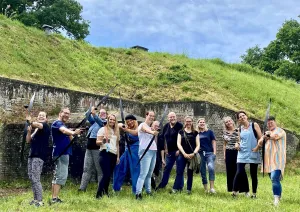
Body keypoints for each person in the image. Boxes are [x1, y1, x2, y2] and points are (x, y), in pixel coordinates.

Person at [253, 116, 286, 206]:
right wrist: (264, 137)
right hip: (268, 161)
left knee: (274, 178)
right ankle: (278, 196)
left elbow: (275, 137)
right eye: (268, 123)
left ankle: (276, 199)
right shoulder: (267, 132)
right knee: (274, 180)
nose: (270, 124)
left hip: (278, 160)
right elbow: (259, 143)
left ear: (275, 122)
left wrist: (267, 136)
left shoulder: (280, 131)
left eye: (271, 122)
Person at [51, 108, 81, 204]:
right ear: (60, 113)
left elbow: (70, 139)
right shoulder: (57, 123)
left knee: (57, 175)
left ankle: (54, 197)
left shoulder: (63, 125)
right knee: (61, 175)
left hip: (62, 153)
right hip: (61, 153)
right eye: (65, 113)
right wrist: (72, 132)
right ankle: (55, 199)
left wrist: (73, 133)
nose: (66, 115)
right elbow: (64, 131)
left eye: (68, 114)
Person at [232, 111, 262, 198]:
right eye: (240, 117)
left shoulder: (254, 125)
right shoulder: (240, 129)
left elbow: (260, 138)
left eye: (243, 115)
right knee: (239, 171)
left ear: (246, 116)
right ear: (238, 120)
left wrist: (257, 147)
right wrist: (237, 144)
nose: (242, 117)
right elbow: (239, 140)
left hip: (253, 151)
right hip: (242, 152)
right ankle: (234, 191)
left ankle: (254, 194)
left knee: (253, 174)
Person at [78, 107, 107, 192]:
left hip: (97, 148)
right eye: (100, 113)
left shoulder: (105, 122)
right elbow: (87, 115)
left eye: (104, 113)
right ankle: (82, 188)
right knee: (86, 169)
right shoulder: (93, 122)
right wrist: (91, 108)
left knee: (99, 170)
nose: (102, 114)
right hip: (89, 147)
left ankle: (100, 189)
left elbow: (100, 122)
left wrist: (94, 114)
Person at [26, 112, 50, 207]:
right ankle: (35, 199)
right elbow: (28, 140)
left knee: (36, 178)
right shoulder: (36, 130)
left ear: (46, 119)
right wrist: (29, 131)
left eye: (43, 115)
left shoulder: (45, 126)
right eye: (39, 115)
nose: (40, 116)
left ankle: (40, 201)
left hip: (39, 156)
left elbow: (37, 124)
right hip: (32, 155)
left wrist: (29, 121)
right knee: (32, 177)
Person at [172, 116, 200, 194]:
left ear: (192, 122)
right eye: (187, 121)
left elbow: (198, 145)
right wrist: (184, 153)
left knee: (190, 173)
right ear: (185, 122)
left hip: (192, 155)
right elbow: (178, 143)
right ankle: (175, 188)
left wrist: (193, 153)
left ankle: (188, 189)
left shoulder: (195, 132)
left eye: (190, 121)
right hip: (182, 155)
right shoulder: (180, 132)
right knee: (179, 172)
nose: (188, 123)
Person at [113, 114, 140, 194]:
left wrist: (126, 129)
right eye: (128, 121)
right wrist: (122, 125)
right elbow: (117, 125)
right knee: (119, 166)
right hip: (127, 151)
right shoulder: (126, 127)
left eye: (131, 120)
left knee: (135, 170)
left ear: (135, 121)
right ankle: (116, 188)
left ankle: (136, 191)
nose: (130, 122)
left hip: (135, 151)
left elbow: (136, 133)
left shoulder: (139, 128)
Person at [156, 112, 183, 190]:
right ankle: (162, 185)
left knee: (179, 169)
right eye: (170, 117)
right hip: (169, 152)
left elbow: (183, 138)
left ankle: (178, 187)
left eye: (173, 116)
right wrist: (165, 148)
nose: (172, 118)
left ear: (176, 117)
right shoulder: (166, 126)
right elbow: (162, 137)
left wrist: (179, 150)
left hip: (178, 151)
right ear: (168, 118)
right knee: (167, 169)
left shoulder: (180, 126)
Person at [135, 111, 159, 200]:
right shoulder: (142, 125)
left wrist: (153, 131)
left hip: (153, 151)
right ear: (146, 115)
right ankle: (138, 193)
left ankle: (148, 191)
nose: (152, 117)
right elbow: (145, 129)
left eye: (153, 116)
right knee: (143, 173)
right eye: (150, 115)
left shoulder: (151, 127)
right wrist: (152, 132)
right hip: (145, 151)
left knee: (149, 174)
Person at [96, 114, 120, 198]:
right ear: (108, 120)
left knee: (109, 175)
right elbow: (97, 142)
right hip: (105, 153)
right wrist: (104, 140)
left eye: (114, 120)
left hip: (113, 155)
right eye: (111, 119)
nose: (112, 121)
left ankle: (105, 192)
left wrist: (117, 157)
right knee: (105, 174)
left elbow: (117, 145)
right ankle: (98, 194)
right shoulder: (103, 129)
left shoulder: (116, 131)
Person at [223, 116, 249, 195]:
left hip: (237, 152)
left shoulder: (238, 130)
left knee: (240, 171)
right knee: (230, 171)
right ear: (225, 124)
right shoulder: (225, 132)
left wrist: (239, 145)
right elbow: (224, 144)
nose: (228, 123)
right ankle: (234, 190)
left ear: (232, 121)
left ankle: (246, 190)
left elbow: (241, 141)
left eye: (229, 121)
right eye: (226, 122)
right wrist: (224, 155)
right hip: (228, 152)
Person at [197, 118, 217, 193]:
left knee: (211, 168)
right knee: (203, 171)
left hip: (209, 153)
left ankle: (212, 188)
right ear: (198, 124)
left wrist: (214, 153)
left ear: (205, 123)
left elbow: (214, 142)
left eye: (203, 122)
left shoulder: (209, 132)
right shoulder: (196, 133)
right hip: (201, 154)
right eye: (200, 122)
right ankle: (206, 189)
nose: (202, 123)